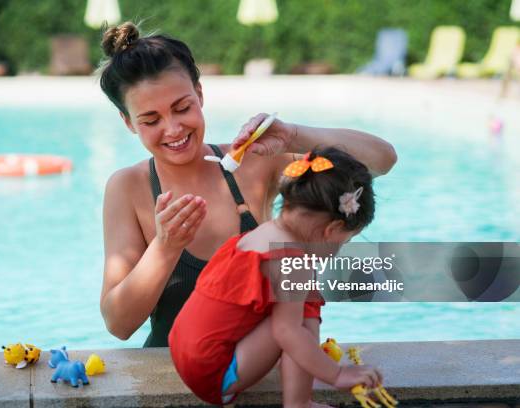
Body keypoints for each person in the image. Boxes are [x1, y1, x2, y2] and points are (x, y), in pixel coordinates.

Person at [98, 21, 397, 347]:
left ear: (199, 94)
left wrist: (293, 136)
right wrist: (165, 248)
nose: (172, 129)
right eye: (151, 120)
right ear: (128, 122)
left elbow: (381, 160)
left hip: (262, 376)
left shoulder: (252, 163)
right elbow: (118, 323)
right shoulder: (128, 188)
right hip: (174, 374)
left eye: (182, 108)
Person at [169, 147, 381, 407]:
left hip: (186, 357)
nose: (340, 249)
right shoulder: (294, 261)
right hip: (214, 377)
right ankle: (299, 403)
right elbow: (286, 332)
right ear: (333, 229)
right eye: (345, 241)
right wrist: (336, 374)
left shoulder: (260, 234)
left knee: (291, 310)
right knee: (303, 315)